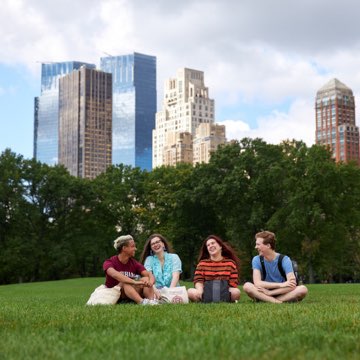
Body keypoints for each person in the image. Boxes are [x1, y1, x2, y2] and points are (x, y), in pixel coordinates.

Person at [243, 231, 308, 303]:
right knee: (247, 286)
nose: (256, 247)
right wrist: (281, 285)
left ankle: (266, 300)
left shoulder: (285, 260)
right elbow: (257, 283)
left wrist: (270, 293)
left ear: (268, 245)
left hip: (282, 292)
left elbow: (292, 285)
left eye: (258, 244)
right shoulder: (256, 259)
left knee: (303, 289)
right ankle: (278, 302)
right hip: (264, 291)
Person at [103, 235, 159, 305]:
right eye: (132, 246)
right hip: (115, 292)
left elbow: (148, 274)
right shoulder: (109, 262)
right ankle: (142, 302)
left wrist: (150, 282)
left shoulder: (134, 263)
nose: (135, 249)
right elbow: (115, 274)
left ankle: (152, 301)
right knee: (125, 282)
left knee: (145, 278)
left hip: (129, 292)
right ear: (124, 248)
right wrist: (134, 282)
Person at [187, 235, 241, 302]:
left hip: (224, 291)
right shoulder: (202, 264)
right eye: (208, 245)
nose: (210, 246)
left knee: (236, 292)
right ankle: (208, 299)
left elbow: (233, 284)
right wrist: (200, 291)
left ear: (220, 246)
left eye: (213, 243)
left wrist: (220, 292)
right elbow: (198, 281)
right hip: (206, 291)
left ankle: (214, 299)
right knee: (190, 291)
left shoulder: (230, 263)